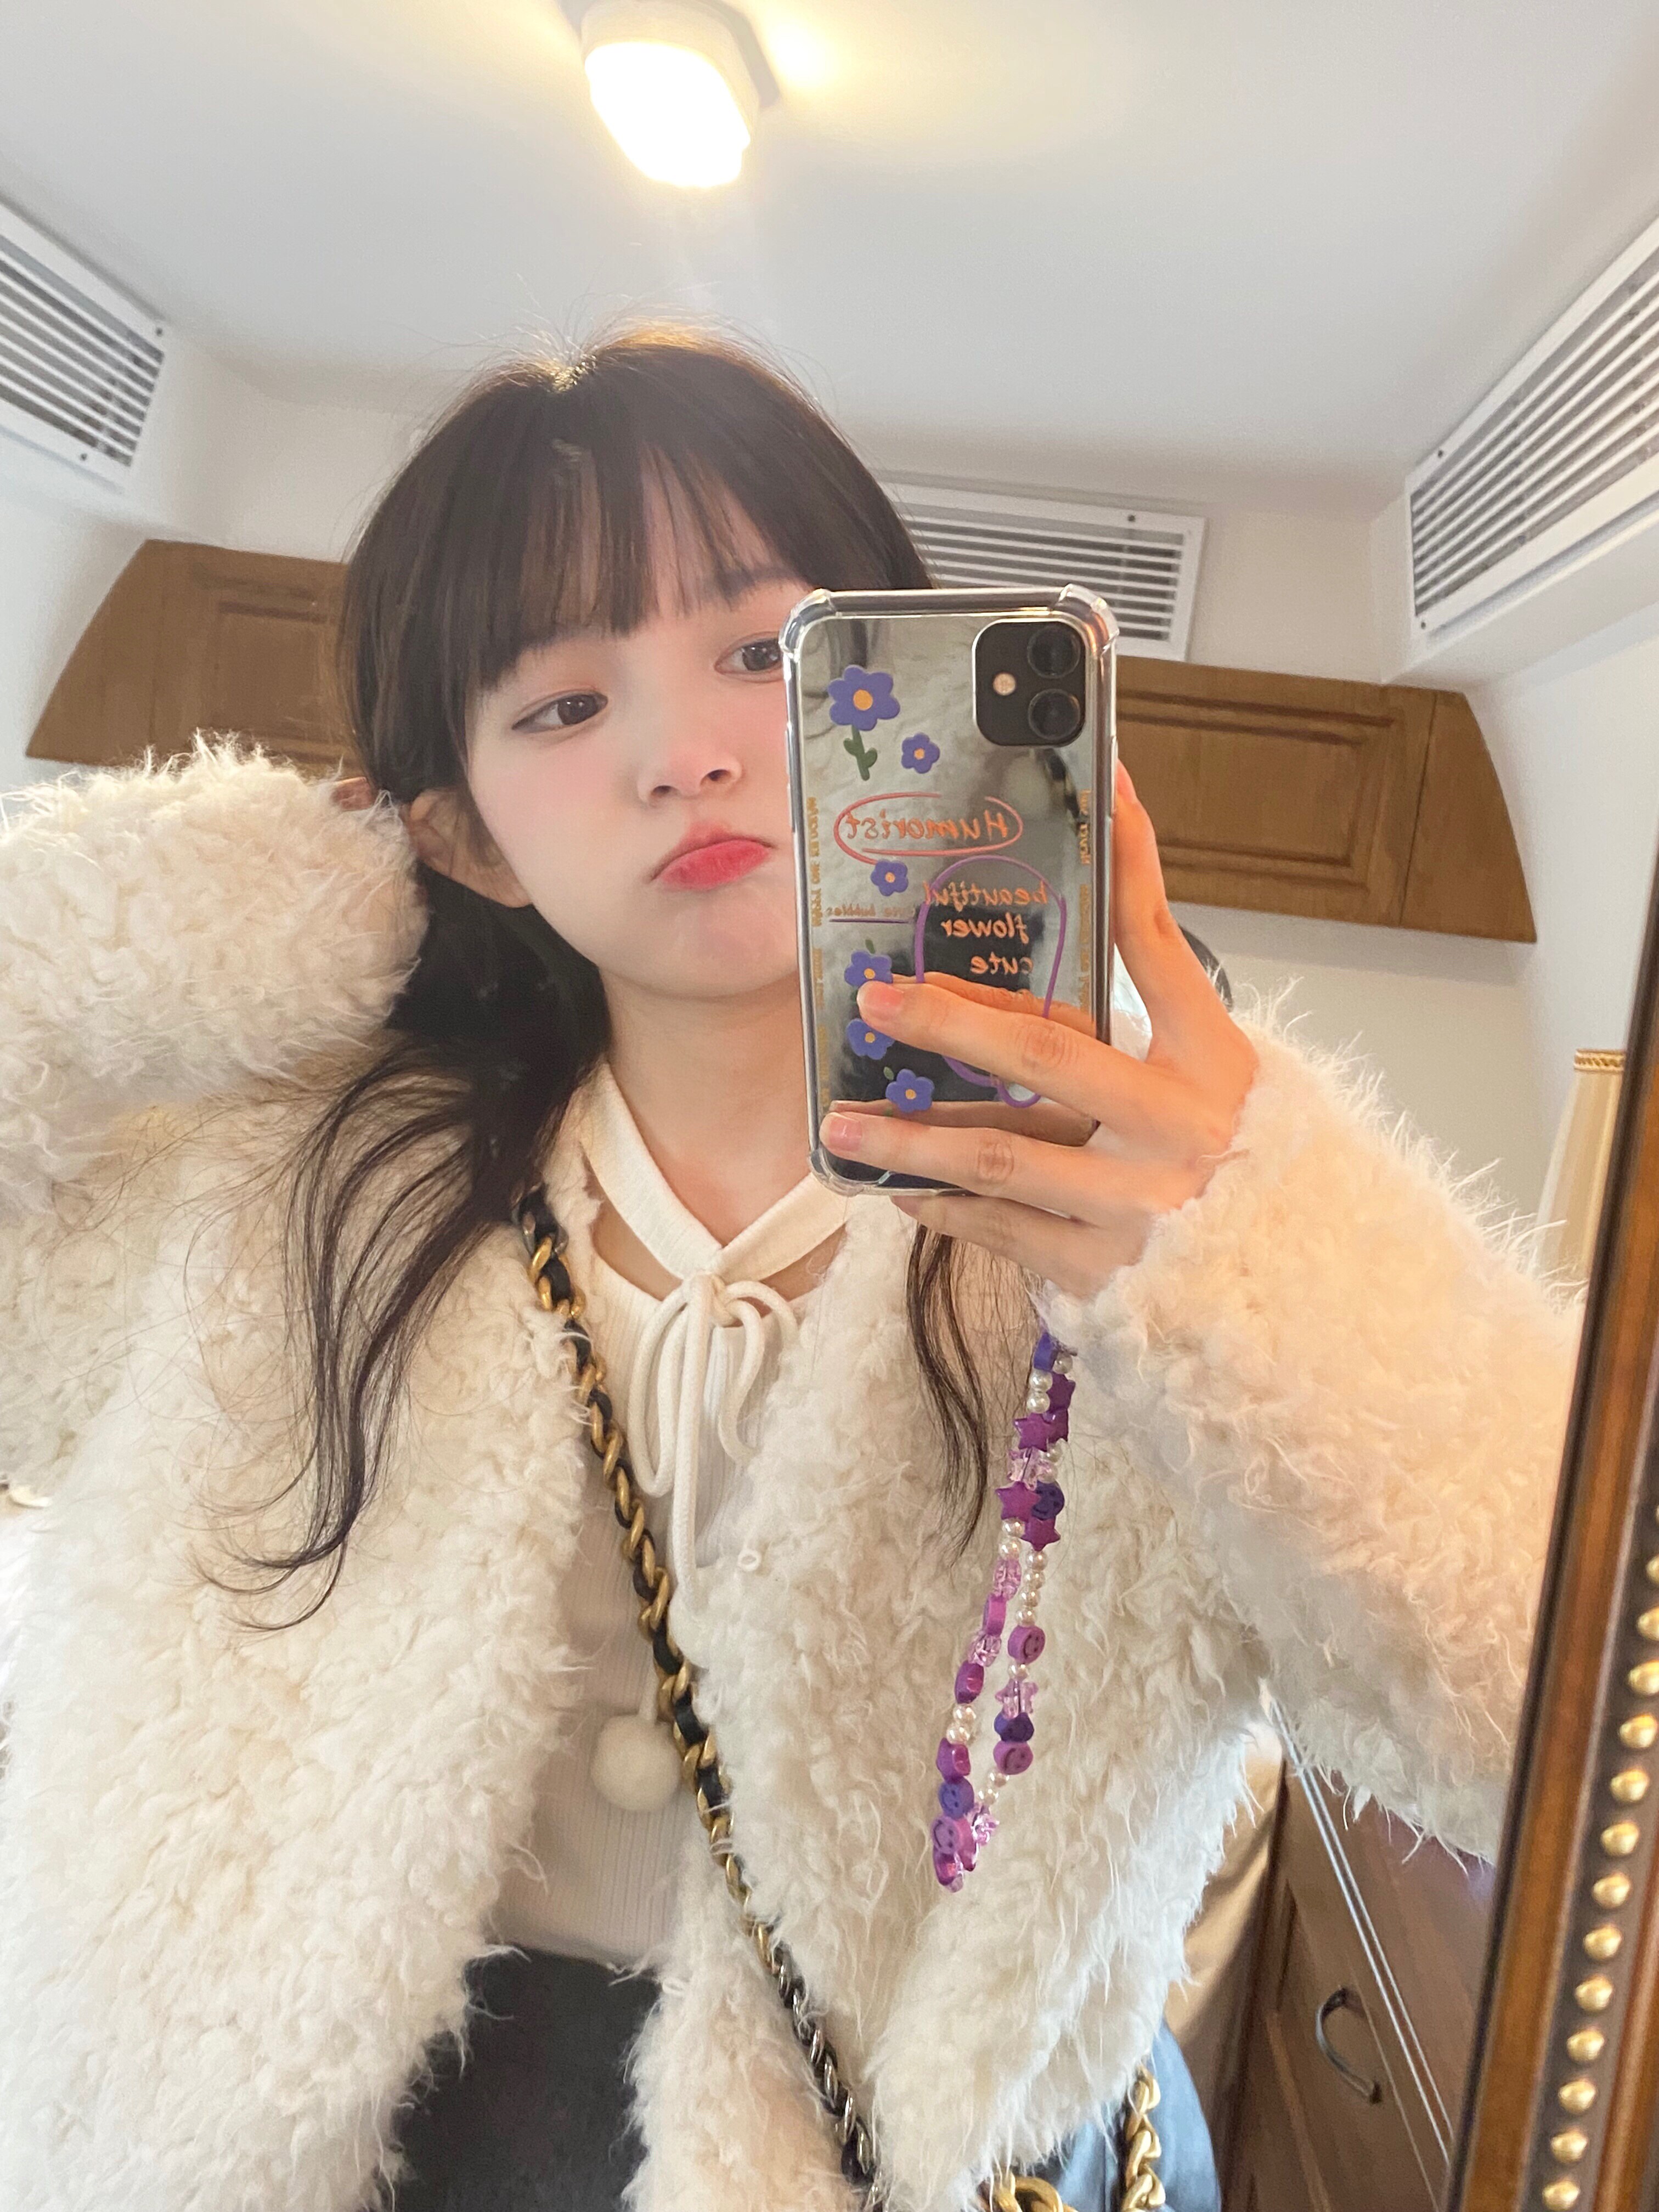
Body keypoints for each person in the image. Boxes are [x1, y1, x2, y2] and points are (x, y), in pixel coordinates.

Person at [0, 331, 1576, 2212]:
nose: (683, 754)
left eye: (765, 654)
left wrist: (1257, 1261)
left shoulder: (1156, 1185)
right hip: (391, 2124)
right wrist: (250, 892)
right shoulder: (288, 1196)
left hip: (934, 2152)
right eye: (561, 705)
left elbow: (1552, 1717)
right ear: (463, 834)